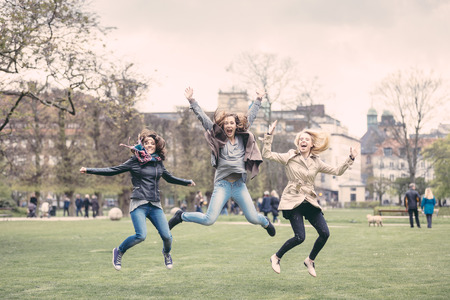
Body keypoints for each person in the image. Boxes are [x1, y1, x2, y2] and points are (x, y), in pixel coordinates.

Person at [80, 129, 195, 271]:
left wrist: (186, 182)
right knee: (141, 236)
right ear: (142, 145)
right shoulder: (134, 161)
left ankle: (166, 253)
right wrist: (89, 170)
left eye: (152, 143)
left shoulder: (158, 162)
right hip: (139, 203)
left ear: (156, 145)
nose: (149, 145)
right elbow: (113, 170)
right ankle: (119, 251)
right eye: (146, 143)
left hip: (155, 204)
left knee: (167, 236)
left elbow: (169, 177)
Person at [168, 87, 275, 237]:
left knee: (252, 218)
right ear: (223, 126)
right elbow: (203, 119)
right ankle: (181, 216)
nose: (229, 126)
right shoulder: (218, 138)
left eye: (232, 123)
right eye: (226, 124)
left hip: (239, 185)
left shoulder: (242, 137)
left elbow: (251, 116)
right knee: (208, 219)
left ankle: (265, 222)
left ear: (236, 125)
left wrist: (258, 99)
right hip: (222, 184)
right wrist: (192, 100)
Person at [263, 120, 357, 277]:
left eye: (306, 139)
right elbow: (267, 154)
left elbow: (337, 171)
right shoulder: (290, 157)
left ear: (312, 144)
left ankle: (310, 260)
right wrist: (269, 135)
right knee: (300, 237)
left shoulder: (317, 162)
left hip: (309, 200)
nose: (303, 141)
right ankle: (276, 257)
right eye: (301, 139)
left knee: (325, 233)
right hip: (293, 200)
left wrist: (350, 159)